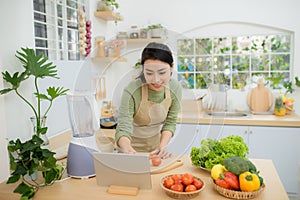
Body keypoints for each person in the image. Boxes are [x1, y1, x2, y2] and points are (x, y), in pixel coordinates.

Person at [115, 42, 182, 159]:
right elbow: (124, 126)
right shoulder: (132, 89)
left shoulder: (175, 88)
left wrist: (163, 146)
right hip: (129, 151)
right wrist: (126, 148)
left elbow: (170, 122)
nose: (156, 80)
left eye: (162, 73)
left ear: (172, 67)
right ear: (143, 69)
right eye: (149, 73)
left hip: (155, 151)